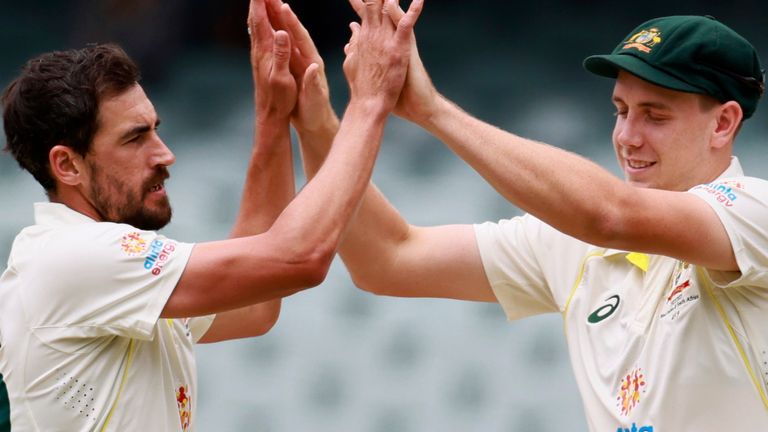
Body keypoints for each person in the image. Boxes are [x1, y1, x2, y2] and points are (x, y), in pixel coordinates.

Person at [263, 1, 767, 430]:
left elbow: (609, 213)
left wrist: (431, 109)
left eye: (655, 116)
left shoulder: (754, 211)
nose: (628, 136)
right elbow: (388, 258)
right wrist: (317, 122)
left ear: (723, 123)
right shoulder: (578, 243)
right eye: (620, 110)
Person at [0, 0, 422, 429]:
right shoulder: (74, 257)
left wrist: (274, 116)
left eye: (155, 129)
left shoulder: (95, 273)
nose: (164, 154)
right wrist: (369, 103)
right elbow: (299, 258)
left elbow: (252, 309)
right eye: (134, 139)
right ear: (67, 165)